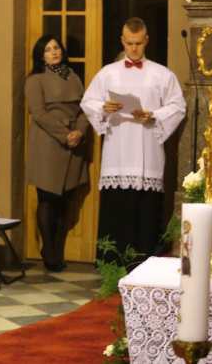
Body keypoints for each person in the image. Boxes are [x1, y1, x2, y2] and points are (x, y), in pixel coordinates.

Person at [81, 17, 186, 261]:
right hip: (117, 154)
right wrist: (104, 107)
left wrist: (154, 114)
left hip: (147, 154)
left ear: (146, 40)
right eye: (129, 43)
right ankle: (112, 269)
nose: (134, 48)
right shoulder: (108, 73)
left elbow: (178, 106)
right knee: (117, 214)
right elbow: (88, 102)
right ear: (122, 41)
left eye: (138, 43)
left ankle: (143, 267)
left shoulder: (162, 74)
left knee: (145, 216)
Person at [25, 35, 89, 272]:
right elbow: (39, 113)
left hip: (74, 141)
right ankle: (49, 251)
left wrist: (79, 132)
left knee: (66, 200)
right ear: (41, 55)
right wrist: (65, 134)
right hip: (48, 142)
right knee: (48, 198)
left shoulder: (73, 75)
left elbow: (85, 108)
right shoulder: (35, 80)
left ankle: (58, 247)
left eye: (57, 48)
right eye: (48, 49)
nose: (54, 52)